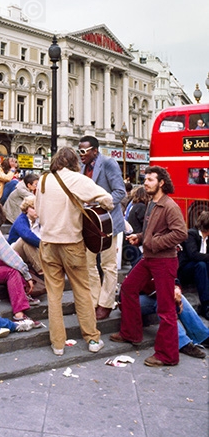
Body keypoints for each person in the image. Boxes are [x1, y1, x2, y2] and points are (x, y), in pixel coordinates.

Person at [36, 147, 113, 357]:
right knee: (82, 291)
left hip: (48, 244)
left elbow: (39, 212)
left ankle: (58, 344)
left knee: (54, 295)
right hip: (72, 243)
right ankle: (93, 338)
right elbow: (107, 199)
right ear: (73, 162)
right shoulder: (77, 179)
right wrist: (93, 205)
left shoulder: (43, 180)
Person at [110, 166, 188, 367]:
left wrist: (152, 242)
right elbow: (154, 232)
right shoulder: (152, 204)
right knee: (128, 288)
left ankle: (167, 355)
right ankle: (131, 333)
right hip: (150, 258)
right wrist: (141, 237)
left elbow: (181, 234)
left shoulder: (169, 206)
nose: (145, 182)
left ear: (161, 183)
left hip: (164, 261)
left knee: (166, 309)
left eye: (150, 180)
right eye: (145, 179)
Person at [78, 135, 126, 320]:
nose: (81, 154)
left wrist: (101, 205)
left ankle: (106, 303)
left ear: (94, 151)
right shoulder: (82, 168)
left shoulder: (108, 163)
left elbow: (120, 192)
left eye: (84, 151)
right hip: (90, 222)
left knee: (108, 265)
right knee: (89, 263)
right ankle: (94, 299)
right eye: (79, 150)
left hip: (108, 222)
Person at [139, 282, 208, 359]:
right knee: (163, 300)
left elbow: (173, 278)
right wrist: (168, 290)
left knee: (178, 296)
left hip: (156, 293)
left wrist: (176, 288)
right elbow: (147, 285)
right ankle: (182, 342)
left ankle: (202, 336)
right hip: (135, 299)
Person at [178, 211, 209, 319]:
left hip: (200, 270)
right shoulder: (191, 234)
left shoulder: (207, 238)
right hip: (186, 270)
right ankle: (206, 306)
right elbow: (193, 255)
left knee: (203, 265)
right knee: (201, 265)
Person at [8, 195, 43, 276]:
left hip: (34, 251)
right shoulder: (21, 220)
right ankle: (40, 268)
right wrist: (44, 245)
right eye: (33, 208)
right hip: (15, 253)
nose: (36, 211)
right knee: (24, 240)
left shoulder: (39, 220)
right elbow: (26, 235)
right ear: (26, 209)